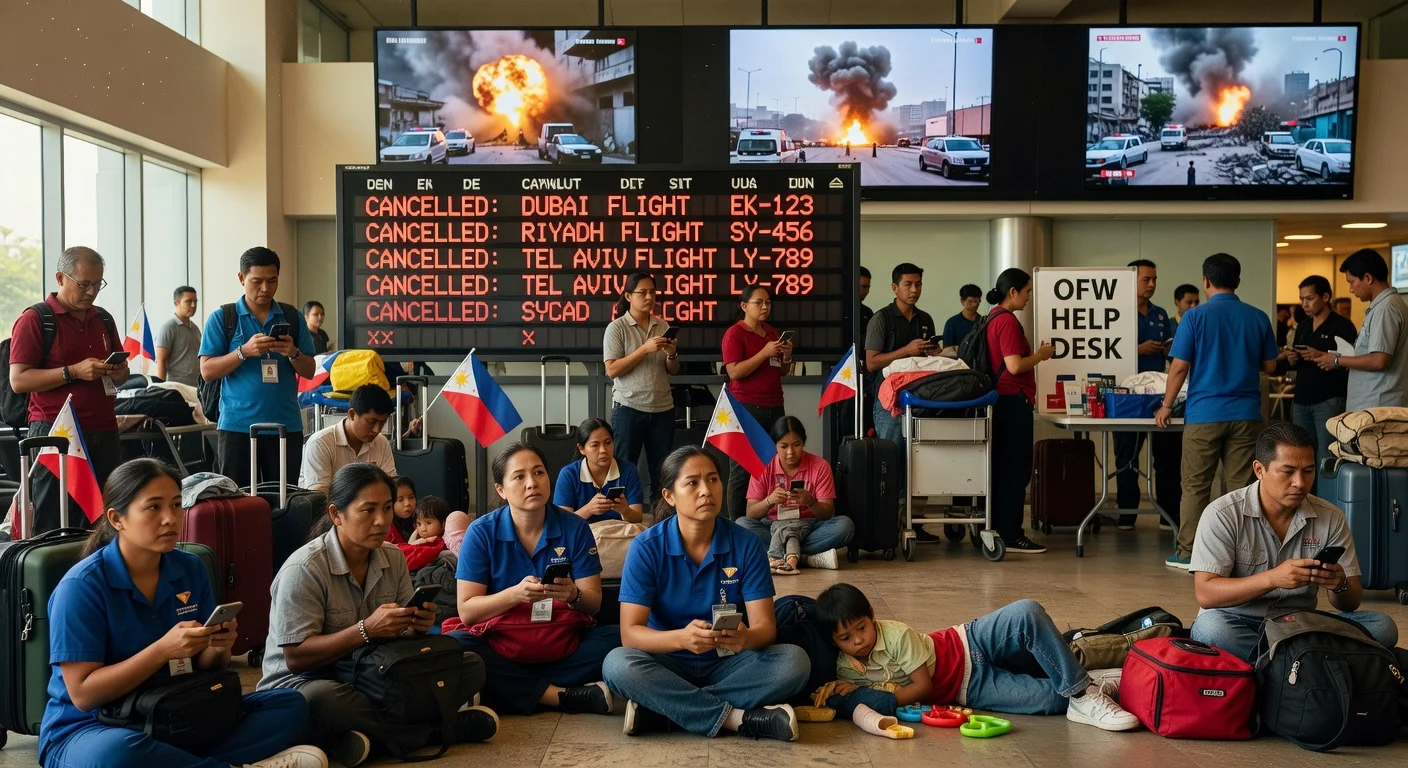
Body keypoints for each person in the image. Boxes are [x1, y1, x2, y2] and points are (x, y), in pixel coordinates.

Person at [42, 459, 325, 768]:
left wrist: (218, 646)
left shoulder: (189, 567)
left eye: (177, 505)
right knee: (118, 755)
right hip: (96, 727)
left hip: (175, 713)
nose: (169, 518)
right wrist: (162, 651)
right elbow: (83, 694)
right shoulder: (82, 587)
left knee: (290, 704)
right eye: (153, 508)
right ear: (117, 519)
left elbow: (204, 665)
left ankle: (177, 762)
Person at [258, 463, 495, 767]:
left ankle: (362, 738)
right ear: (335, 515)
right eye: (367, 510)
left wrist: (417, 626)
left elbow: (397, 638)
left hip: (372, 672)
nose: (381, 520)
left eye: (386, 508)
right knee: (327, 701)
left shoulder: (393, 556)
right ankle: (436, 731)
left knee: (470, 664)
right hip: (309, 680)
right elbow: (296, 658)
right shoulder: (304, 569)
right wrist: (365, 630)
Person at [602, 446, 809, 740]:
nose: (706, 491)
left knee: (794, 662)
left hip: (729, 662)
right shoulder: (646, 547)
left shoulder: (746, 544)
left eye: (713, 479)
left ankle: (665, 709)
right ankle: (738, 719)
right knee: (617, 664)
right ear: (669, 496)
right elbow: (631, 634)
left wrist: (745, 637)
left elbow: (765, 629)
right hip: (669, 661)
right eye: (692, 483)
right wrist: (682, 639)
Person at [1188, 424, 1399, 661]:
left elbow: (1350, 603)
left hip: (1300, 623)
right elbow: (1206, 593)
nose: (1300, 482)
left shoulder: (1331, 517)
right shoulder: (1222, 514)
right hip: (1239, 622)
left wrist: (1339, 584)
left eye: (1308, 471)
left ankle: (1283, 662)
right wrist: (1273, 578)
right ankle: (1305, 661)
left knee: (1382, 626)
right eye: (1287, 471)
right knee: (1211, 629)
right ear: (1259, 469)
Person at [814, 584, 1138, 734]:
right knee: (1051, 701)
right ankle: (1099, 685)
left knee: (1026, 611)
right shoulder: (845, 667)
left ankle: (1081, 692)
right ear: (833, 641)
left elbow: (922, 687)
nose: (858, 640)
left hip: (968, 641)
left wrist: (879, 697)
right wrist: (847, 691)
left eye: (862, 628)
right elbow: (849, 696)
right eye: (846, 638)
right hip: (970, 688)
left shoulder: (896, 635)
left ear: (872, 617)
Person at [450, 442, 622, 716]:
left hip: (561, 643)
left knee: (621, 637)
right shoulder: (481, 533)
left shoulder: (575, 527)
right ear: (501, 490)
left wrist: (573, 595)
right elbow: (468, 612)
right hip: (502, 646)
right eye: (519, 477)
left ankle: (506, 692)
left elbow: (593, 603)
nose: (532, 483)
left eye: (539, 473)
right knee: (457, 646)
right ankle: (560, 696)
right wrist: (514, 595)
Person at [1157, 253, 1279, 570]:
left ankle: (1188, 552)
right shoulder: (1257, 317)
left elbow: (1179, 367)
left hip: (1204, 414)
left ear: (1206, 281)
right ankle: (1237, 554)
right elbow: (1269, 365)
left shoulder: (1194, 318)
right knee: (1241, 487)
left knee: (1196, 486)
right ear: (1237, 281)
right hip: (1247, 413)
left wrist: (1166, 405)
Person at [9, 246, 128, 534]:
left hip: (104, 431)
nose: (91, 292)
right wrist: (73, 371)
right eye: (84, 284)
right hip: (56, 433)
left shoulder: (104, 319)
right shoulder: (37, 319)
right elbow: (19, 380)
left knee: (105, 520)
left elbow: (124, 373)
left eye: (98, 284)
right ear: (61, 278)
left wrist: (116, 371)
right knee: (52, 521)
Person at [199, 247, 315, 488]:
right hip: (237, 427)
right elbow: (207, 371)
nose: (265, 288)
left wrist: (292, 352)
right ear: (241, 279)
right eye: (257, 281)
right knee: (236, 502)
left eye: (272, 281)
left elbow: (310, 370)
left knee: (283, 502)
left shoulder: (292, 317)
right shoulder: (224, 317)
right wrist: (244, 352)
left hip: (285, 426)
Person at [985, 268, 1054, 555]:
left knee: (1003, 469)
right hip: (1014, 401)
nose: (1028, 298)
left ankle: (999, 527)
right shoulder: (1008, 322)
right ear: (1012, 292)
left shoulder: (991, 318)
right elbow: (1014, 366)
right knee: (1016, 470)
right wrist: (1040, 356)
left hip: (1001, 402)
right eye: (1026, 292)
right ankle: (1012, 534)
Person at [1113, 260, 1181, 531]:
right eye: (1146, 279)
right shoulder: (1116, 313)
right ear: (1131, 279)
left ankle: (1168, 515)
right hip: (1127, 396)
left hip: (1158, 395)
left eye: (1154, 279)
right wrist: (1136, 349)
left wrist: (1167, 350)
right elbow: (1107, 349)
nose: (1152, 284)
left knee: (1167, 457)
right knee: (1126, 457)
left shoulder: (1161, 314)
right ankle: (1127, 513)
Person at [737, 416, 854, 571]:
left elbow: (828, 512)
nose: (790, 452)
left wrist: (811, 501)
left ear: (803, 442)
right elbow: (750, 513)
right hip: (773, 526)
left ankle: (778, 554)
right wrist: (769, 501)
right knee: (741, 525)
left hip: (808, 526)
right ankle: (805, 558)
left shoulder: (820, 466)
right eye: (783, 446)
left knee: (845, 526)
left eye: (796, 445)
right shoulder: (764, 467)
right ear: (775, 446)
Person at [603, 272, 678, 502]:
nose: (649, 297)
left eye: (652, 292)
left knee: (662, 474)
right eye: (642, 292)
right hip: (629, 409)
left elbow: (672, 370)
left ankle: (660, 523)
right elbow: (612, 370)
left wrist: (671, 354)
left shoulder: (662, 325)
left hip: (662, 409)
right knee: (624, 470)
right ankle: (621, 525)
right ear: (628, 295)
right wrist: (643, 350)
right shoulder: (617, 328)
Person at [1303, 249, 1408, 412]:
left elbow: (1378, 360)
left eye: (1351, 282)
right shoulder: (1384, 306)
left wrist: (1337, 360)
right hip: (1372, 405)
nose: (1351, 289)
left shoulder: (1385, 308)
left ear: (1367, 278)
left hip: (1377, 406)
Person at [864, 263, 938, 496]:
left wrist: (935, 354)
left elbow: (926, 359)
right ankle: (890, 522)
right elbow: (872, 362)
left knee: (920, 459)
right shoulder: (881, 319)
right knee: (892, 460)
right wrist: (906, 350)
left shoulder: (925, 319)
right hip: (889, 402)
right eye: (908, 284)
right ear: (895, 287)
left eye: (918, 284)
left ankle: (914, 519)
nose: (914, 289)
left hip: (920, 400)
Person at [721, 284, 792, 521]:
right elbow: (734, 372)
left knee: (773, 466)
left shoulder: (771, 333)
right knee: (741, 470)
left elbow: (782, 372)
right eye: (759, 303)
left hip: (775, 406)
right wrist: (763, 353)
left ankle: (764, 520)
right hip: (746, 408)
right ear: (744, 306)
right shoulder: (735, 334)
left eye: (768, 303)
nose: (765, 307)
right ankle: (736, 527)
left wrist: (786, 357)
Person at [1281, 275, 1357, 485]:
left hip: (1329, 399)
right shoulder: (1303, 327)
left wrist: (1320, 355)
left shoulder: (1342, 326)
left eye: (1309, 298)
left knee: (1326, 456)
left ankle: (1329, 504)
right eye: (1302, 299)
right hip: (1302, 398)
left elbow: (1351, 363)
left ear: (1325, 297)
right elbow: (1296, 363)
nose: (1305, 304)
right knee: (1301, 457)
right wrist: (1293, 357)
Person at [298, 384, 398, 495]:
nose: (377, 430)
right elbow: (319, 496)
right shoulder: (320, 443)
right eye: (371, 422)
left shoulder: (381, 442)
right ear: (351, 414)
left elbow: (391, 486)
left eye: (382, 423)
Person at [553, 418, 645, 525]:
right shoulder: (569, 474)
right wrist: (589, 509)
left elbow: (638, 518)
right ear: (581, 449)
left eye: (608, 442)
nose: (603, 450)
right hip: (584, 536)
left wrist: (625, 511)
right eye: (595, 445)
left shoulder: (628, 470)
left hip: (619, 534)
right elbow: (563, 524)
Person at [153, 286, 201, 387]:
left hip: (195, 388)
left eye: (195, 301)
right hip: (175, 388)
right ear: (176, 303)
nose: (193, 305)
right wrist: (161, 390)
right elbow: (161, 360)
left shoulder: (195, 329)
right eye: (188, 301)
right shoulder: (169, 328)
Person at [941, 284, 983, 349]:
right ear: (962, 301)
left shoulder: (983, 322)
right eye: (970, 301)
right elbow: (947, 350)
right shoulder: (952, 323)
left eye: (977, 301)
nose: (974, 304)